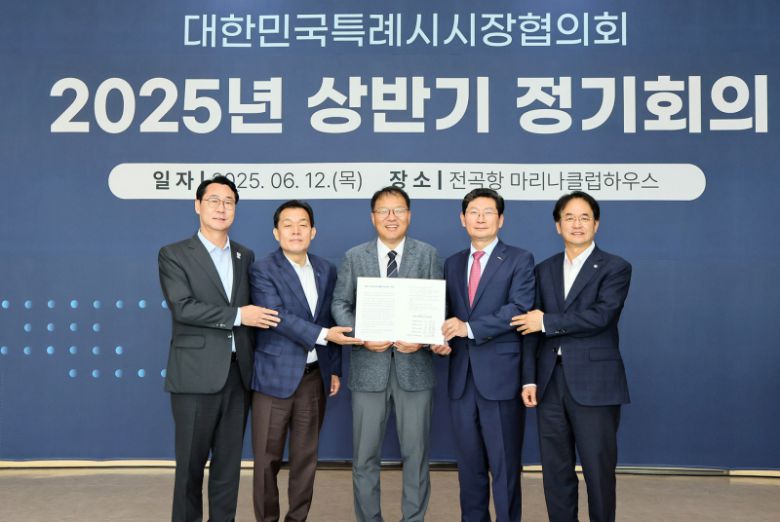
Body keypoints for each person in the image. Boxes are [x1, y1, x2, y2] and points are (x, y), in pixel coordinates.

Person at [158, 175, 280, 522]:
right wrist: (239, 315)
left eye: (228, 202)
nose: (221, 208)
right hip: (195, 376)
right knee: (190, 468)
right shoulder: (174, 254)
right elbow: (183, 307)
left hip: (238, 376)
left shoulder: (245, 255)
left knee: (228, 468)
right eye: (213, 200)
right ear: (198, 206)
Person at [512, 191, 632, 522]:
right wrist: (529, 378)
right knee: (555, 470)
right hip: (550, 381)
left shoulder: (615, 267)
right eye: (569, 218)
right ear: (557, 225)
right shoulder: (543, 269)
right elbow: (530, 328)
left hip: (596, 384)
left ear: (596, 224)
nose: (577, 224)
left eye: (584, 218)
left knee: (598, 470)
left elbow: (602, 316)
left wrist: (547, 322)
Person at [331, 186, 443, 522]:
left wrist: (423, 339)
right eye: (383, 210)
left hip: (415, 371)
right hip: (368, 371)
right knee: (364, 457)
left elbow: (438, 306)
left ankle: (413, 519)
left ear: (409, 215)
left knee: (417, 456)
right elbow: (340, 303)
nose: (391, 217)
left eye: (398, 210)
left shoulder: (428, 255)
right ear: (372, 217)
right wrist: (362, 334)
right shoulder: (354, 256)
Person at [249, 200, 357, 522]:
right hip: (273, 379)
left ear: (313, 231)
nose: (295, 231)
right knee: (266, 461)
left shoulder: (326, 269)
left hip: (313, 378)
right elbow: (276, 316)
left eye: (302, 224)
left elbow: (329, 317)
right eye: (288, 224)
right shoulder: (262, 269)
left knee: (305, 460)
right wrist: (324, 335)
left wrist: (334, 368)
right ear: (276, 232)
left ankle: (297, 519)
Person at [435, 188, 535, 522]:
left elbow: (518, 308)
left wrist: (468, 328)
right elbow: (447, 315)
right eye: (473, 212)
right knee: (469, 466)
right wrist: (440, 339)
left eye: (488, 212)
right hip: (462, 379)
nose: (480, 218)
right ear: (462, 219)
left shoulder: (520, 259)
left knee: (504, 466)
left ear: (501, 219)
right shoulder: (452, 263)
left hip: (500, 378)